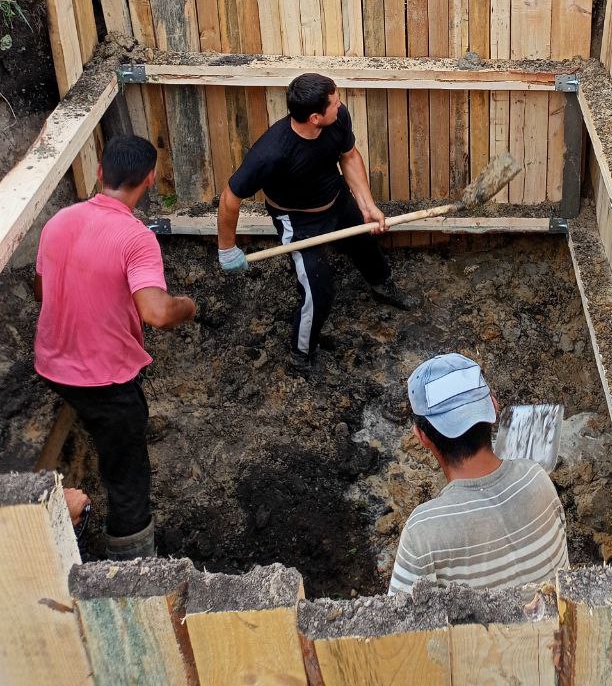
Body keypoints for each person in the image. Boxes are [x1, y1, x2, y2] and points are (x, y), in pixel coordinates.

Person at [33, 135, 196, 560]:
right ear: (148, 180)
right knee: (127, 477)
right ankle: (132, 563)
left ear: (101, 173)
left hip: (52, 365)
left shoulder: (59, 222)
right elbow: (157, 312)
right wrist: (188, 306)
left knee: (103, 428)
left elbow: (42, 287)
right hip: (105, 381)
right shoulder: (135, 237)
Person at [217, 72, 416, 372]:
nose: (341, 105)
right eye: (334, 103)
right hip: (298, 222)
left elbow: (348, 156)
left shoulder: (337, 119)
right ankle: (302, 355)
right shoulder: (272, 152)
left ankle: (383, 286)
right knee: (318, 289)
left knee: (366, 247)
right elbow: (230, 197)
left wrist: (367, 206)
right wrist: (227, 249)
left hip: (336, 200)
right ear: (314, 117)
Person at [389, 353, 569, 594]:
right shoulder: (537, 478)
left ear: (421, 436)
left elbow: (401, 626)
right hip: (559, 630)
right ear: (494, 408)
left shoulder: (421, 535)